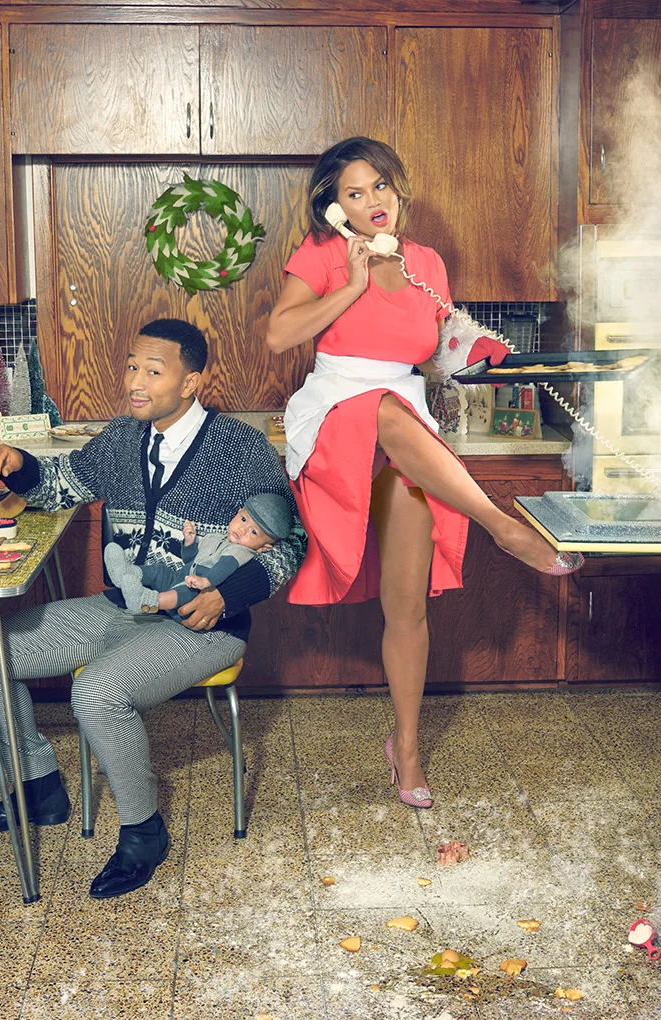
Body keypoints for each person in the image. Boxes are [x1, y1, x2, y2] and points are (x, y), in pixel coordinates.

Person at [264, 137, 582, 810]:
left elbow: (433, 349)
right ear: (334, 208)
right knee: (381, 405)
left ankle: (404, 747)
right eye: (354, 194)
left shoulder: (426, 262)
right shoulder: (322, 253)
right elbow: (279, 335)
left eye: (380, 186)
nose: (372, 201)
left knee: (407, 607)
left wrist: (483, 351)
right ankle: (502, 525)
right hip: (336, 410)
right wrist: (351, 285)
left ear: (398, 187)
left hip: (403, 423)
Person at [0, 318, 304, 899]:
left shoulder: (242, 448)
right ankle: (38, 787)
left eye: (153, 371)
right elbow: (61, 485)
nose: (135, 382)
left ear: (190, 382)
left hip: (202, 624)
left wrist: (226, 595)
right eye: (132, 367)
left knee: (96, 691)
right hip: (121, 607)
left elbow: (292, 543)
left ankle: (143, 832)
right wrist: (22, 465)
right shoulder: (120, 438)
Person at [103, 493, 291, 617]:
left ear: (264, 547)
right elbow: (190, 559)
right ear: (238, 512)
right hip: (181, 578)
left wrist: (206, 582)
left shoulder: (241, 551)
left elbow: (224, 567)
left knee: (187, 592)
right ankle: (126, 573)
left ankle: (147, 602)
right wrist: (190, 542)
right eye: (243, 519)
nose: (242, 529)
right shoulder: (215, 538)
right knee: (160, 571)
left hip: (196, 598)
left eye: (254, 532)